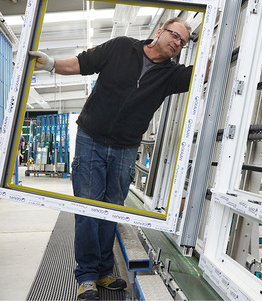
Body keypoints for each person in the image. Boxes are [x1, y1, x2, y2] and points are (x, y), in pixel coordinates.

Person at [28, 17, 193, 300]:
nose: (178, 43)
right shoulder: (120, 48)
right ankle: (87, 276)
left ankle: (104, 271)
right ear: (160, 31)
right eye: (175, 36)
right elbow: (82, 64)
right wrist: (51, 64)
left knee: (112, 209)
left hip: (125, 148)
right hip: (90, 138)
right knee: (89, 209)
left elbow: (203, 74)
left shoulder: (172, 75)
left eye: (183, 42)